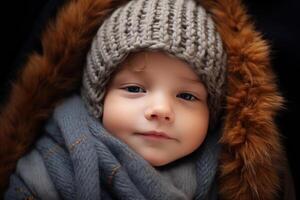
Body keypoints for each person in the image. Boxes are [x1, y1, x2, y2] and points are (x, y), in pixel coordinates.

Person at [0, 0, 295, 199]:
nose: (161, 109)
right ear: (97, 99)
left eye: (187, 95)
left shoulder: (223, 181)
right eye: (134, 89)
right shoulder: (48, 167)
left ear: (213, 113)